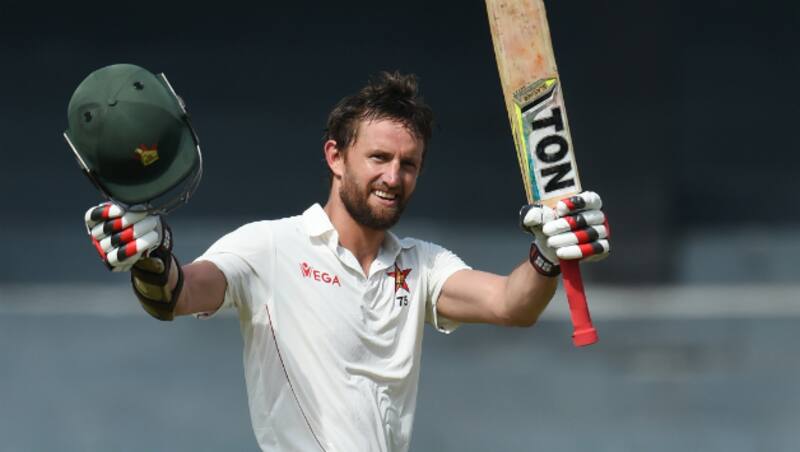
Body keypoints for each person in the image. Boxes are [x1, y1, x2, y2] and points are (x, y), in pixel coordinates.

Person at [79, 70, 610, 452]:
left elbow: (510, 305)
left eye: (409, 164)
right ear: (335, 156)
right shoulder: (270, 247)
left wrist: (544, 255)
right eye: (378, 158)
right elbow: (179, 294)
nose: (393, 177)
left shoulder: (422, 264)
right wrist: (151, 260)